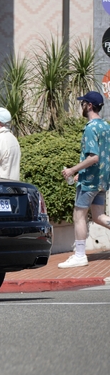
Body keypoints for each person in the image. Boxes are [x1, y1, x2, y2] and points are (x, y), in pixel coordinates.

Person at [59, 91, 110, 268]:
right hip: (102, 180)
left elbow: (93, 157)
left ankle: (80, 255)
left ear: (89, 105)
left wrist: (73, 170)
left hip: (90, 182)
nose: (81, 106)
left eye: (83, 103)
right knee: (98, 216)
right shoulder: (105, 126)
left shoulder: (90, 128)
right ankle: (79, 255)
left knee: (79, 215)